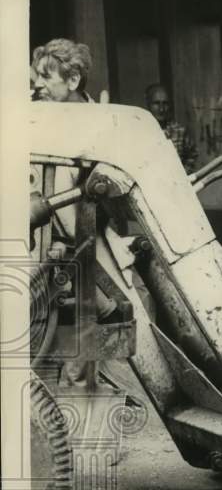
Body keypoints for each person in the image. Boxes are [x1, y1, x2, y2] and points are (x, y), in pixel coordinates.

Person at [30, 38, 119, 386]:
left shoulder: (99, 120)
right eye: (37, 75)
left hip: (86, 240)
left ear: (73, 80)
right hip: (55, 243)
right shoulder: (39, 116)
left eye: (46, 76)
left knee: (93, 324)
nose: (37, 83)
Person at [145, 83, 199, 173]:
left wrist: (183, 174)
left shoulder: (180, 131)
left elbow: (192, 155)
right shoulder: (140, 131)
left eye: (165, 103)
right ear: (148, 105)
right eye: (156, 103)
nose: (161, 109)